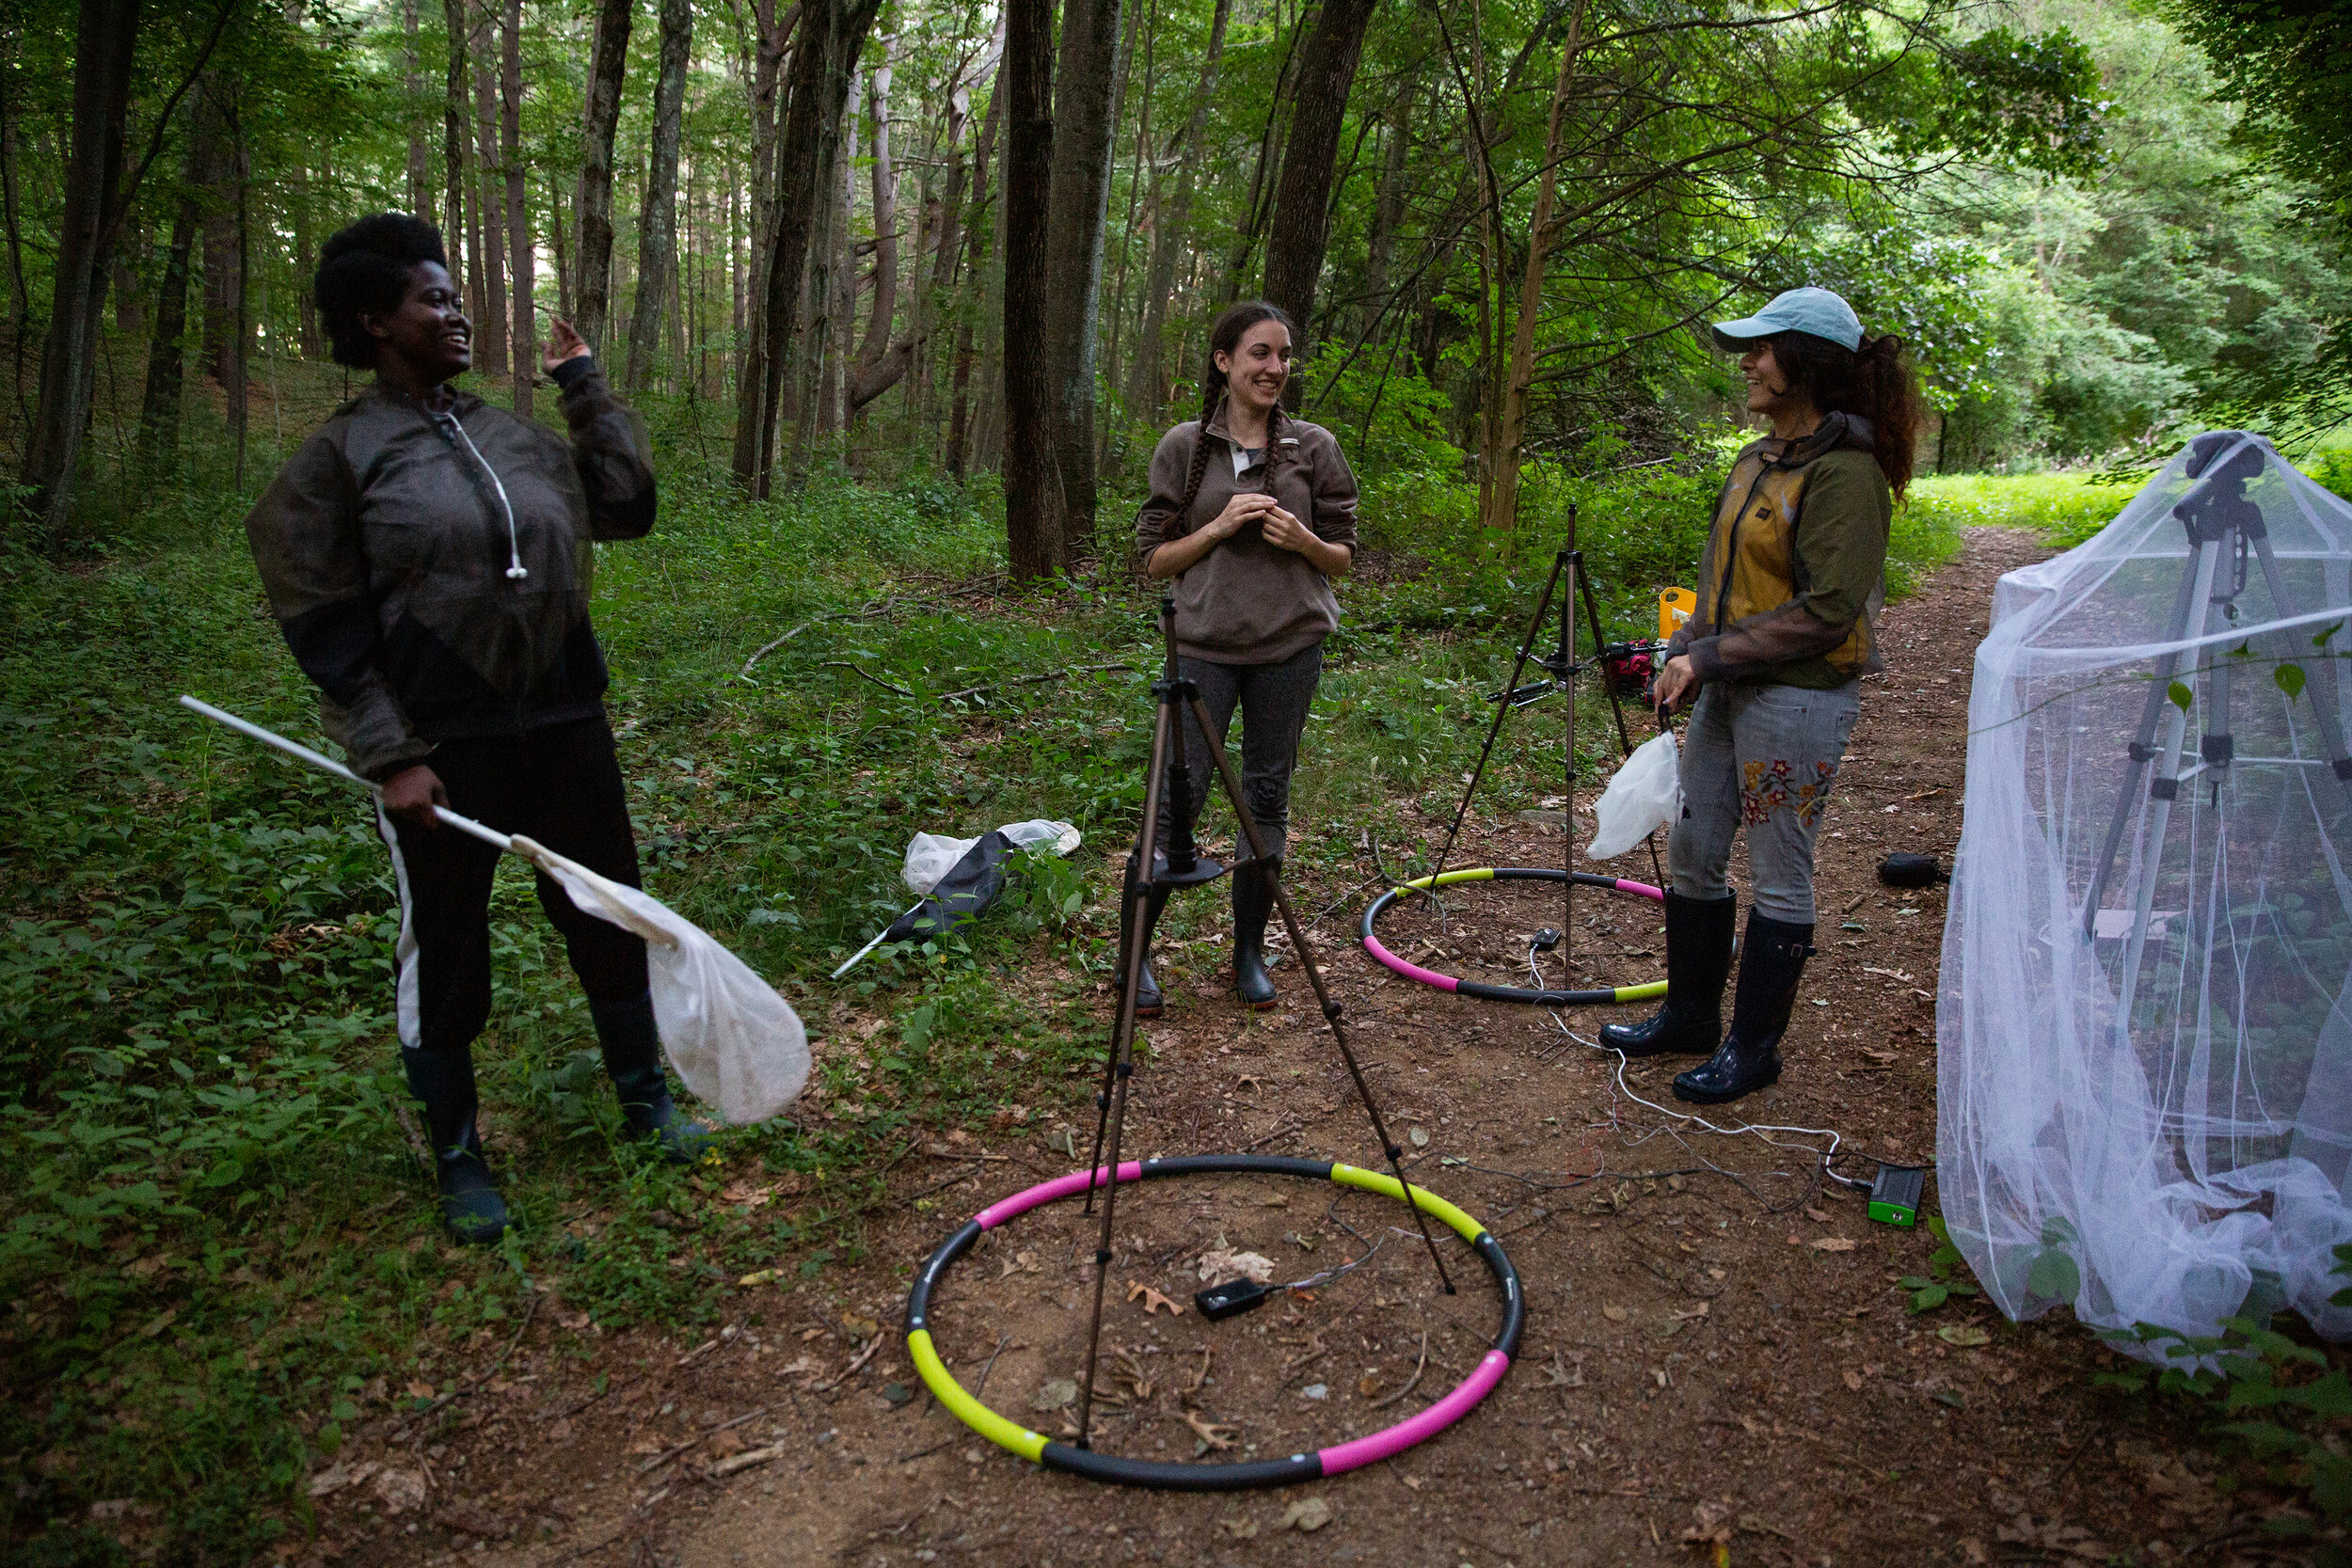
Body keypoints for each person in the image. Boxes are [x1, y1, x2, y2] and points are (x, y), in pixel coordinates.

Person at [244, 214, 702, 1245]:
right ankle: (458, 1155)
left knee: (607, 910)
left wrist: (584, 386)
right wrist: (390, 751)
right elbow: (320, 618)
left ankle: (645, 1101)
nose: (454, 315)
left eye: (453, 299)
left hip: (563, 719)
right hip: (440, 752)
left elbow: (626, 505)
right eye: (432, 300)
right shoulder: (339, 458)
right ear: (375, 320)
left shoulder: (510, 433)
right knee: (445, 948)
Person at [1600, 286, 1921, 1104]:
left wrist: (1708, 657)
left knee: (1781, 868)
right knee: (1693, 851)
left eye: (1762, 348)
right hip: (1726, 685)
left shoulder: (1848, 473)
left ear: (1804, 363)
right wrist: (1681, 649)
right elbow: (1718, 581)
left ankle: (1754, 1049)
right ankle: (1690, 1018)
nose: (1747, 363)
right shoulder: (1757, 459)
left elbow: (1827, 611)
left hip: (1802, 697)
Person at [1128, 301, 1359, 1016]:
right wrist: (1220, 526)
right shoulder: (1181, 447)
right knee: (1178, 805)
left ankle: (1249, 952)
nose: (1275, 368)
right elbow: (1149, 562)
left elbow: (1344, 557)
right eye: (1260, 353)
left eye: (1284, 355)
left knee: (1266, 798)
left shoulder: (1313, 448)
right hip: (1203, 651)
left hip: (1290, 647)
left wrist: (1306, 544)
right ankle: (1134, 957)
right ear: (1225, 362)